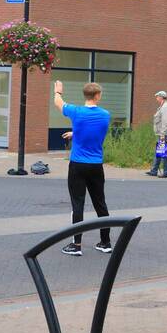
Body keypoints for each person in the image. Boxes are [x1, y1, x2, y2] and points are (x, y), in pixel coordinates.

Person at [54, 80, 112, 256]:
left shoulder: (76, 112)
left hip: (78, 165)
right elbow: (92, 131)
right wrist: (76, 133)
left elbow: (58, 103)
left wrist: (58, 91)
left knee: (77, 204)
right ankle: (105, 242)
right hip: (96, 165)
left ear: (85, 95)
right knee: (100, 204)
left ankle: (76, 245)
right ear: (98, 96)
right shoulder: (105, 115)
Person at [146, 90, 167, 178]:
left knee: (164, 154)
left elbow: (165, 122)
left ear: (161, 97)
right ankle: (154, 170)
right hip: (162, 133)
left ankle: (166, 172)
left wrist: (162, 134)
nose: (156, 98)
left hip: (163, 134)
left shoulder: (165, 107)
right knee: (159, 152)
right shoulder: (162, 106)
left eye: (157, 96)